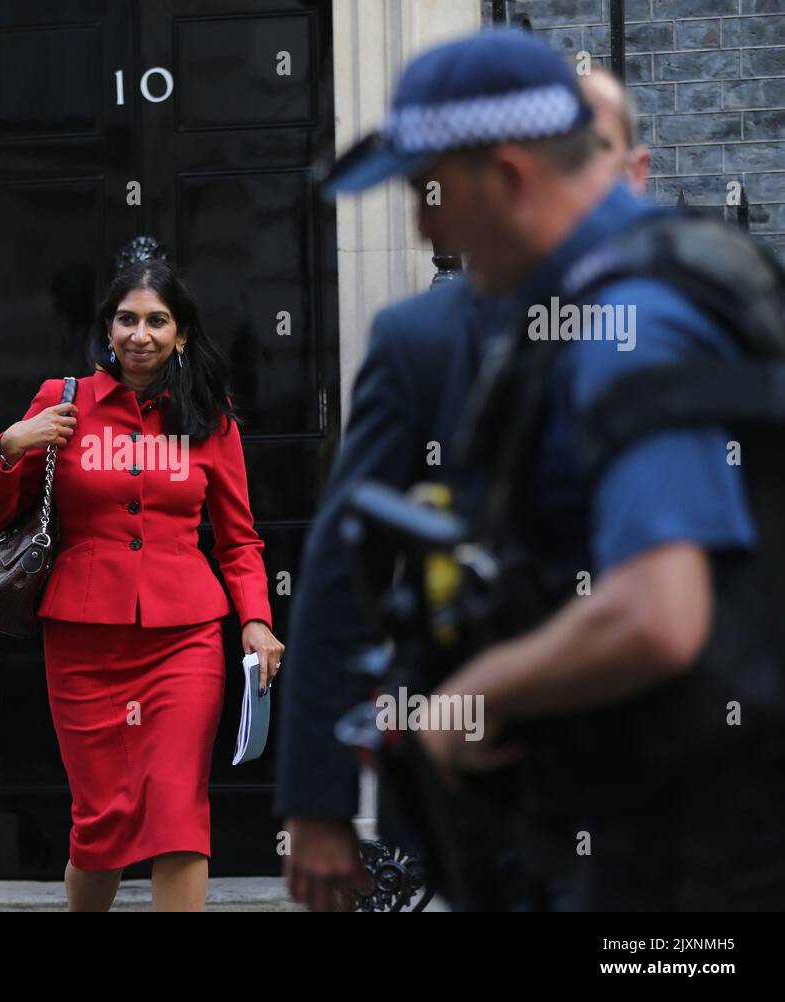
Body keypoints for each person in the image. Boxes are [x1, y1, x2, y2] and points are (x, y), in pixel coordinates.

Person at [320, 26, 785, 910]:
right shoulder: (647, 278)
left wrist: (471, 701)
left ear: (509, 175)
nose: (421, 225)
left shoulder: (632, 326)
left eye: (430, 190)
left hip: (684, 864)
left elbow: (657, 616)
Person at [276, 61, 651, 912]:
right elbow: (344, 565)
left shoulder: (678, 314)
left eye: (430, 194)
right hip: (499, 804)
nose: (418, 227)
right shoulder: (421, 340)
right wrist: (319, 801)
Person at [0, 258, 284, 912]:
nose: (141, 334)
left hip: (185, 641)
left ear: (182, 334)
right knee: (101, 823)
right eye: (127, 319)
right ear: (108, 329)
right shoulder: (62, 403)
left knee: (177, 812)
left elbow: (238, 537)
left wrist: (255, 618)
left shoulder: (209, 417)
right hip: (83, 646)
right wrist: (12, 445)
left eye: (157, 321)